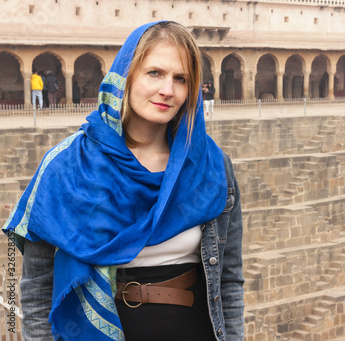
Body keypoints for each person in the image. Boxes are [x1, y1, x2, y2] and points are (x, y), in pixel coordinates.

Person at [3, 21, 244, 341]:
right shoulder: (68, 167)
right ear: (125, 76)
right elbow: (37, 291)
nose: (168, 90)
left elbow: (228, 280)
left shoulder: (211, 167)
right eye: (154, 73)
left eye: (181, 79)